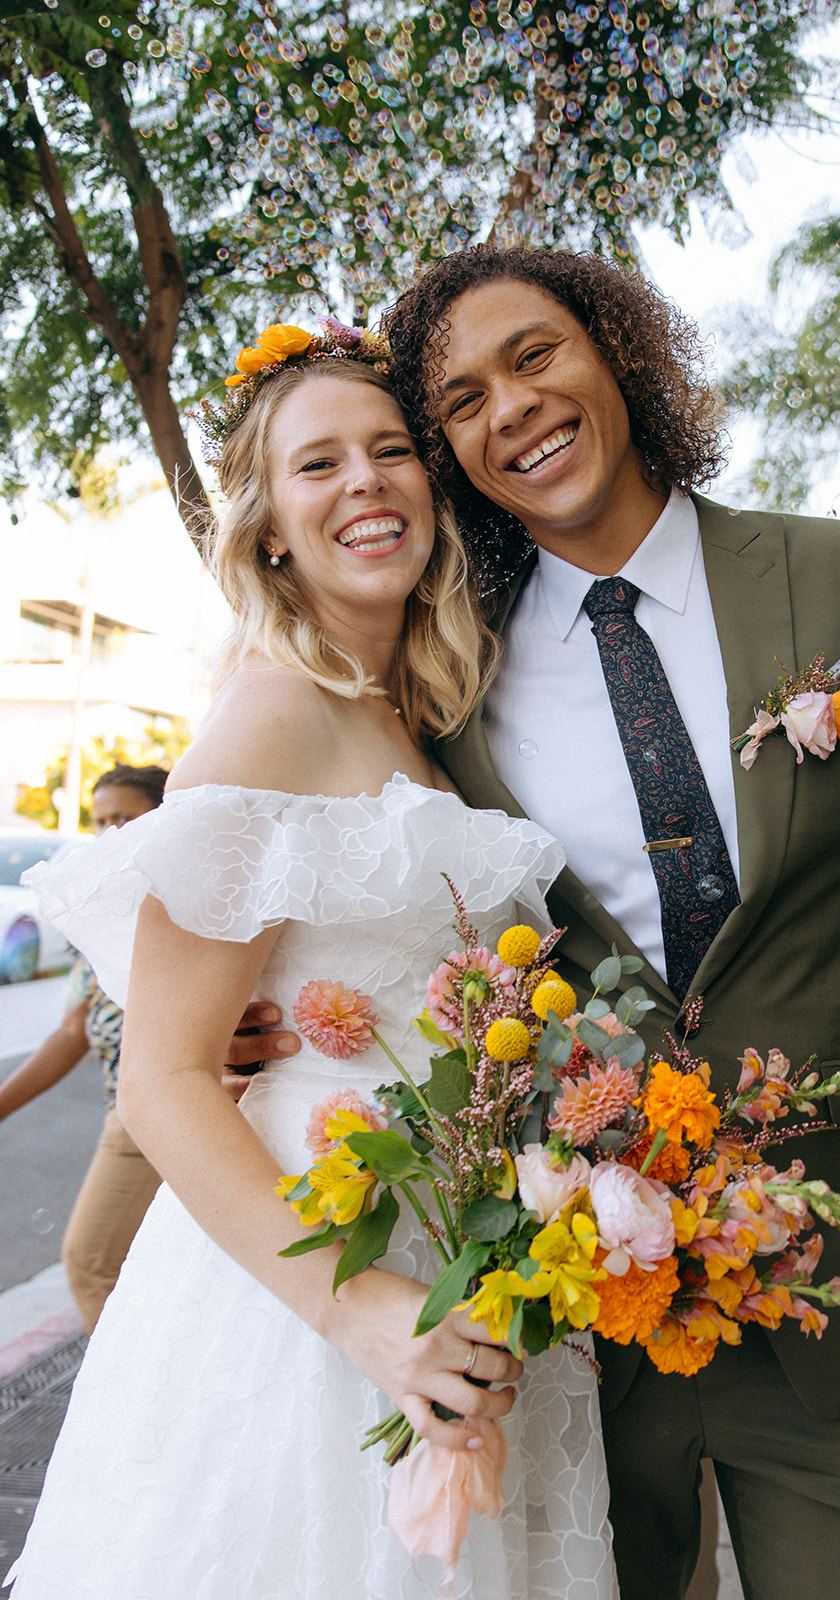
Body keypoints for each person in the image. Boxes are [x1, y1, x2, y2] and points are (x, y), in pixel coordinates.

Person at [370, 246, 840, 1600]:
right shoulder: (444, 670)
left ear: (616, 352)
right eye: (461, 399)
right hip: (589, 1308)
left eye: (533, 355)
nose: (511, 409)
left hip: (837, 1273)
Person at [6, 325, 618, 1600]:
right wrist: (359, 1315)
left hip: (466, 1248)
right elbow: (164, 1079)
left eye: (392, 451)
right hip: (316, 1278)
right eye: (319, 463)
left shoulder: (426, 713)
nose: (366, 483)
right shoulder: (268, 711)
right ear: (269, 525)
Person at [0, 765, 167, 1331]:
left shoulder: (185, 903)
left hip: (161, 1108)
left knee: (92, 1259)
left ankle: (131, 1403)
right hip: (132, 1110)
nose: (109, 833)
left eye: (124, 816)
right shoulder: (105, 912)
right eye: (100, 821)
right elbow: (73, 1032)